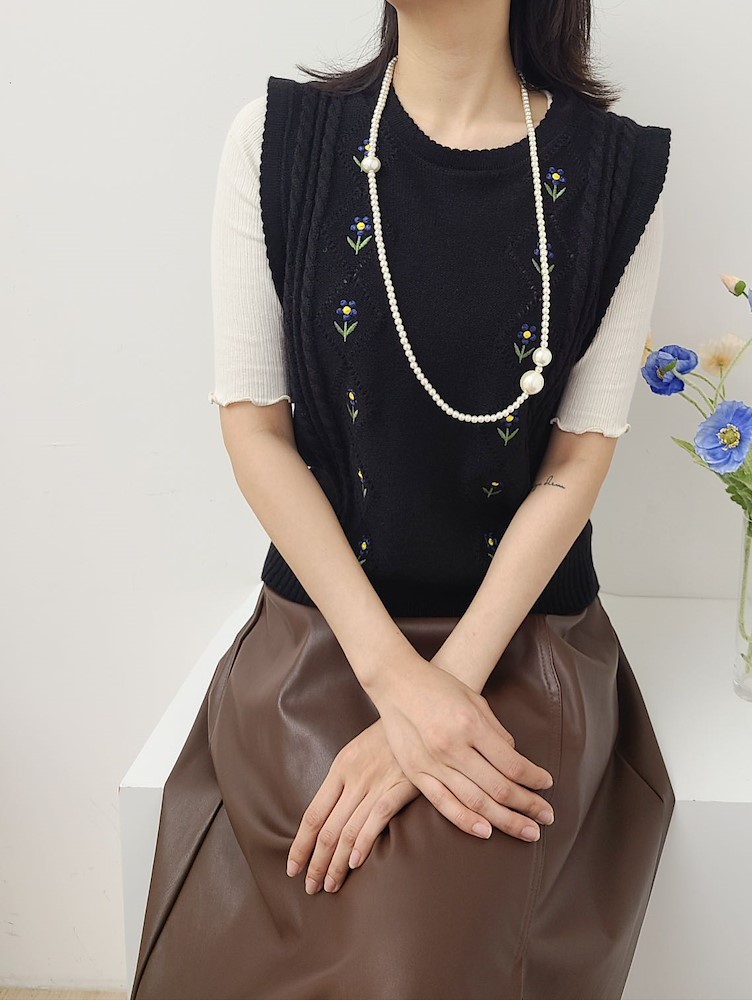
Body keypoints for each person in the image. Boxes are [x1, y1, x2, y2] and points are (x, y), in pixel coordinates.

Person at [129, 2, 675, 997]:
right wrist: (399, 685)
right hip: (319, 640)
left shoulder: (615, 174)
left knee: (423, 941)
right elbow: (255, 432)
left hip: (521, 645)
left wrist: (445, 688)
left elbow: (576, 461)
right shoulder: (277, 141)